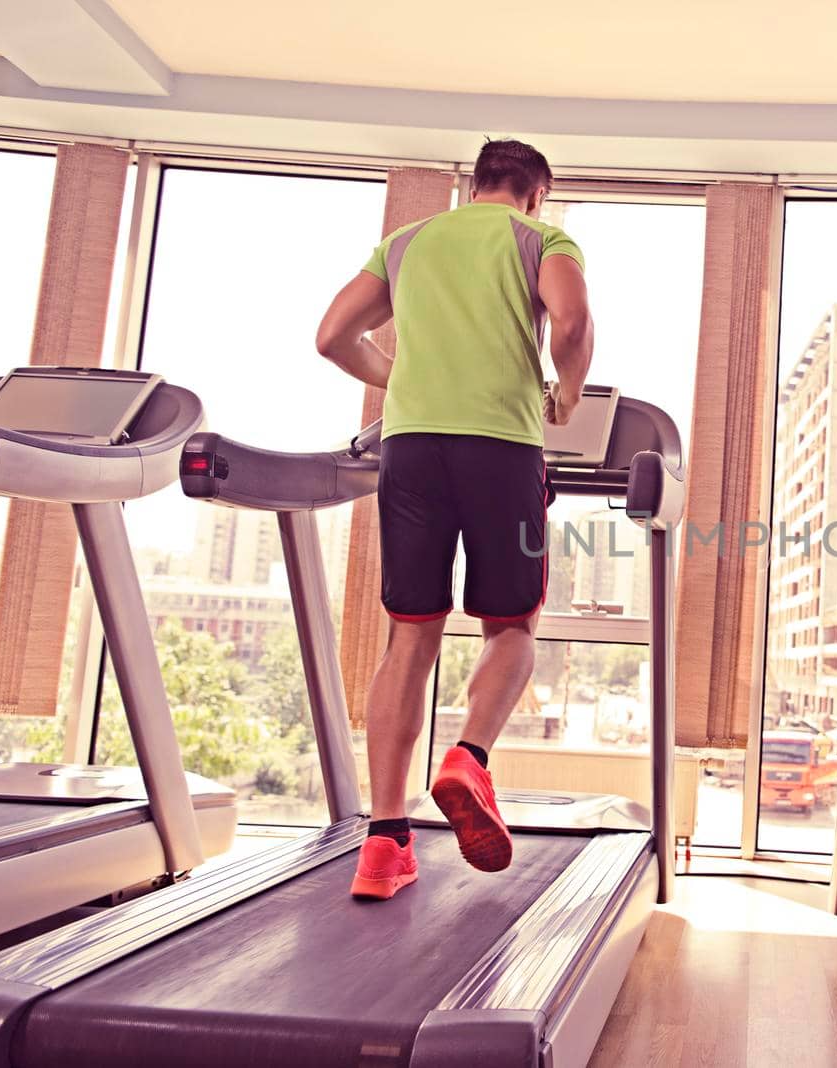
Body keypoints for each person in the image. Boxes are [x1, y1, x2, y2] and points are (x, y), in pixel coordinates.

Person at [315, 138, 593, 900]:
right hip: (501, 447)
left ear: (476, 185)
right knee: (511, 628)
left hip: (410, 451)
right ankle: (468, 756)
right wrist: (564, 397)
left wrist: (399, 376)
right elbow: (569, 323)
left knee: (410, 637)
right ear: (536, 194)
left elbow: (332, 336)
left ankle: (383, 846)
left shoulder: (406, 242)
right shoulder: (543, 238)